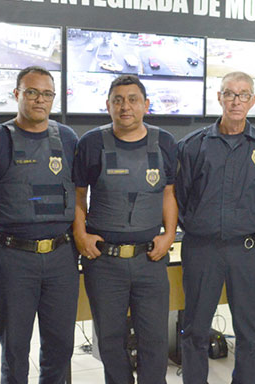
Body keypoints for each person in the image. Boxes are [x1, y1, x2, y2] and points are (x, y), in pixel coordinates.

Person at [0, 67, 79, 384]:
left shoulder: (68, 139)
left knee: (60, 346)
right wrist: (9, 223)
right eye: (32, 92)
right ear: (17, 94)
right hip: (14, 259)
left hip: (61, 258)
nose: (39, 100)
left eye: (47, 94)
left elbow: (78, 193)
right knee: (15, 349)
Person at [176, 71, 255, 384]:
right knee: (195, 330)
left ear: (253, 100)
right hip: (202, 250)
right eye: (230, 94)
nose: (236, 101)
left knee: (249, 333)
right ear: (219, 97)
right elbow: (180, 197)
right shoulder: (193, 146)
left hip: (248, 251)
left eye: (243, 94)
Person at [73, 74, 178, 384]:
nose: (125, 107)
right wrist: (80, 235)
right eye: (117, 100)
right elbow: (78, 195)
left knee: (155, 339)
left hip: (150, 260)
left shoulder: (164, 143)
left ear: (146, 105)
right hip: (105, 262)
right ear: (108, 105)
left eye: (133, 100)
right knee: (109, 340)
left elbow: (169, 193)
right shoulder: (91, 143)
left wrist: (169, 235)